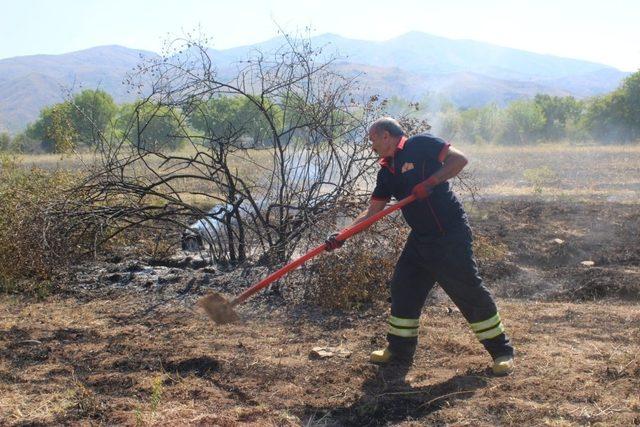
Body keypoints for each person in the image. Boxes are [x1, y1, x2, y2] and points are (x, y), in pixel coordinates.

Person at [326, 117, 514, 375]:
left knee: (467, 290)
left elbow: (459, 160)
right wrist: (342, 235)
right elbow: (372, 212)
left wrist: (430, 182)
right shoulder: (386, 172)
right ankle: (399, 351)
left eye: (372, 140)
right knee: (404, 288)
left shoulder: (421, 144)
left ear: (385, 135)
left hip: (449, 234)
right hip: (421, 238)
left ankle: (502, 352)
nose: (371, 147)